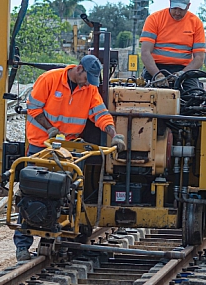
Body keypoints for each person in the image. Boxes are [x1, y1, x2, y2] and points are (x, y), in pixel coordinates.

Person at [15, 54, 126, 261]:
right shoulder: (50, 79)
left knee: (68, 195)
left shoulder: (89, 89)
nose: (87, 84)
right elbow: (34, 109)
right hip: (42, 145)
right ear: (79, 69)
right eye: (86, 78)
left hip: (70, 149)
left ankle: (55, 238)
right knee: (31, 193)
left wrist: (114, 135)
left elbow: (100, 114)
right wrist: (50, 129)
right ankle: (22, 247)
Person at [139, 0, 206, 93]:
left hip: (184, 70)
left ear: (188, 6)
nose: (177, 12)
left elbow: (199, 58)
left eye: (181, 9)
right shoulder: (154, 19)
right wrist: (157, 75)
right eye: (175, 8)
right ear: (170, 3)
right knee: (146, 96)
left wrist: (181, 75)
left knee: (195, 97)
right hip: (156, 67)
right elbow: (145, 52)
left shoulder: (196, 23)